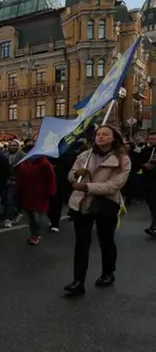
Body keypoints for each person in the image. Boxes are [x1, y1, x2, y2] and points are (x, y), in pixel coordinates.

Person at [64, 125, 131, 296]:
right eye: (98, 134)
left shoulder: (122, 159)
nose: (100, 137)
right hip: (82, 203)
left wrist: (88, 187)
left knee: (106, 240)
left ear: (113, 138)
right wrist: (75, 174)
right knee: (81, 243)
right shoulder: (85, 156)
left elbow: (114, 185)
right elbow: (71, 175)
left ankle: (108, 273)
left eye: (105, 134)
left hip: (106, 203)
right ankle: (78, 281)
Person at [16, 139, 56, 246]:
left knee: (37, 216)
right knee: (31, 216)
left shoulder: (45, 163)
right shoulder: (24, 164)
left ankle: (36, 235)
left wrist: (50, 192)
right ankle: (34, 233)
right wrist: (18, 190)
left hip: (40, 194)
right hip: (27, 194)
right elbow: (19, 178)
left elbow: (51, 179)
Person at [139, 131, 156, 237]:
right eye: (150, 138)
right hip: (148, 182)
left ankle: (154, 227)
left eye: (153, 139)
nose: (151, 141)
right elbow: (137, 161)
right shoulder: (146, 150)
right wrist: (144, 165)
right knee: (151, 204)